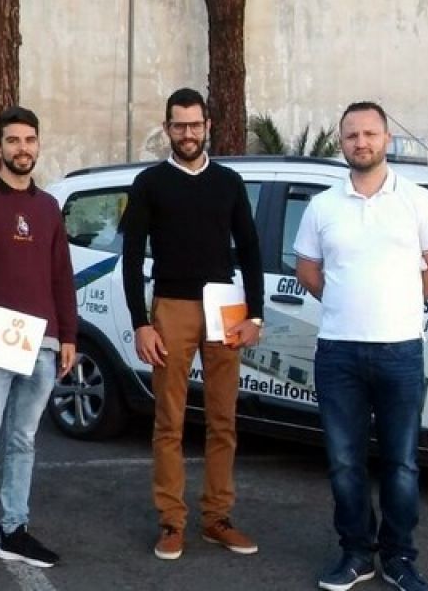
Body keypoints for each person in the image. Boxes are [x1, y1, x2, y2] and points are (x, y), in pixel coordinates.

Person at [293, 102, 428, 591]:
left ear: (386, 139)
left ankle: (400, 558)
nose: (360, 142)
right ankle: (356, 553)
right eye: (351, 135)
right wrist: (345, 300)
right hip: (338, 353)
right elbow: (307, 271)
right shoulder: (323, 206)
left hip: (400, 351)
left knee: (402, 465)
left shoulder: (418, 200)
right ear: (341, 143)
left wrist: (400, 302)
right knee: (344, 463)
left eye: (369, 133)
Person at [120, 87, 264, 561]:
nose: (188, 133)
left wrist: (256, 314)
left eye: (195, 125)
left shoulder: (229, 182)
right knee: (170, 421)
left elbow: (250, 249)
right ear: (167, 128)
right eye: (179, 125)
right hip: (172, 307)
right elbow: (131, 255)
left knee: (223, 420)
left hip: (225, 309)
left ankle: (217, 518)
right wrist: (141, 323)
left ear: (208, 127)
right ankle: (171, 522)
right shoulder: (150, 183)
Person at [0, 106, 78, 587]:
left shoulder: (48, 208)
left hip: (42, 344)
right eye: (13, 140)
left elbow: (61, 275)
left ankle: (14, 530)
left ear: (38, 145)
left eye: (30, 140)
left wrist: (69, 336)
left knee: (24, 441)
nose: (23, 148)